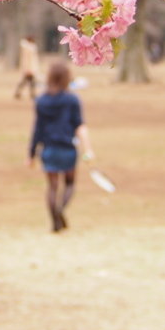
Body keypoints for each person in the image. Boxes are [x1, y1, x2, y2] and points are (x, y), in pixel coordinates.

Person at [27, 62, 94, 232]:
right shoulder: (72, 100)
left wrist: (31, 153)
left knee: (52, 186)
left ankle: (54, 221)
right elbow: (80, 125)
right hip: (67, 148)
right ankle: (60, 209)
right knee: (69, 184)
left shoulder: (41, 101)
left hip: (48, 149)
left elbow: (37, 129)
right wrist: (87, 150)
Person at [14, 35, 40, 99]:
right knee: (28, 82)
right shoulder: (28, 48)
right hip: (29, 69)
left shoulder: (30, 48)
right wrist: (28, 69)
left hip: (30, 68)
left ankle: (20, 93)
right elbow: (26, 59)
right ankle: (31, 94)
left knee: (27, 82)